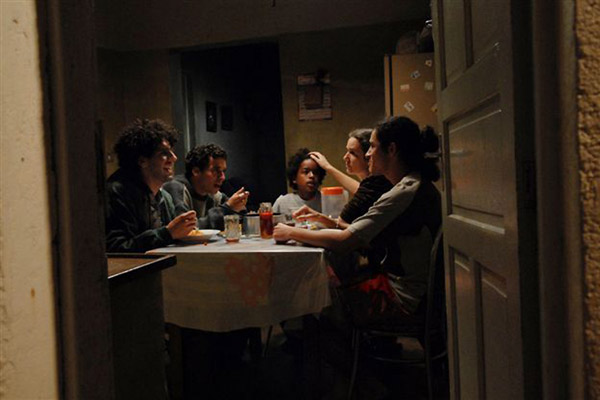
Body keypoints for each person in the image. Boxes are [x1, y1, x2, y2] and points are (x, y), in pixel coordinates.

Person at [274, 116, 441, 322]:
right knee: (332, 283)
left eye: (372, 146)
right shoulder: (413, 184)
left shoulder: (403, 192)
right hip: (415, 290)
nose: (368, 153)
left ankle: (328, 341)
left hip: (402, 297)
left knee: (319, 295)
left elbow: (344, 241)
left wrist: (290, 231)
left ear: (391, 150)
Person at [105, 118, 197, 252]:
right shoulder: (116, 193)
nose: (174, 158)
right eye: (164, 153)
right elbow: (116, 248)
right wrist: (167, 233)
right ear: (142, 160)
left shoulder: (164, 196)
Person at [296, 129, 393, 229]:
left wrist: (328, 167)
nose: (345, 157)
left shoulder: (375, 185)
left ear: (368, 156)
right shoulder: (369, 186)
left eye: (352, 152)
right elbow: (360, 189)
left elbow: (344, 226)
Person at [162, 144, 249, 230]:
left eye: (223, 171)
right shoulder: (176, 188)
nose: (222, 177)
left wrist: (238, 207)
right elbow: (186, 228)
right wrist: (226, 209)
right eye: (216, 171)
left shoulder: (213, 194)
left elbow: (242, 218)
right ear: (196, 171)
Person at [272, 148, 326, 215]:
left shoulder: (326, 201)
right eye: (306, 172)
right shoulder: (282, 203)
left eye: (315, 172)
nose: (312, 176)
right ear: (294, 178)